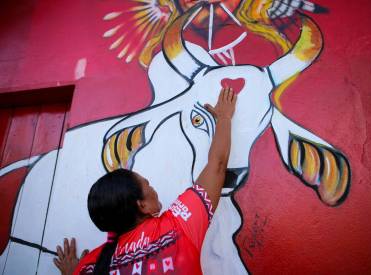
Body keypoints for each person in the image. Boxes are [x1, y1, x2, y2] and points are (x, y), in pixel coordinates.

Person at [54, 87, 237, 275]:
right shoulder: (176, 228)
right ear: (142, 205)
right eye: (147, 184)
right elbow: (217, 165)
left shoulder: (91, 266)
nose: (153, 187)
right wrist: (224, 118)